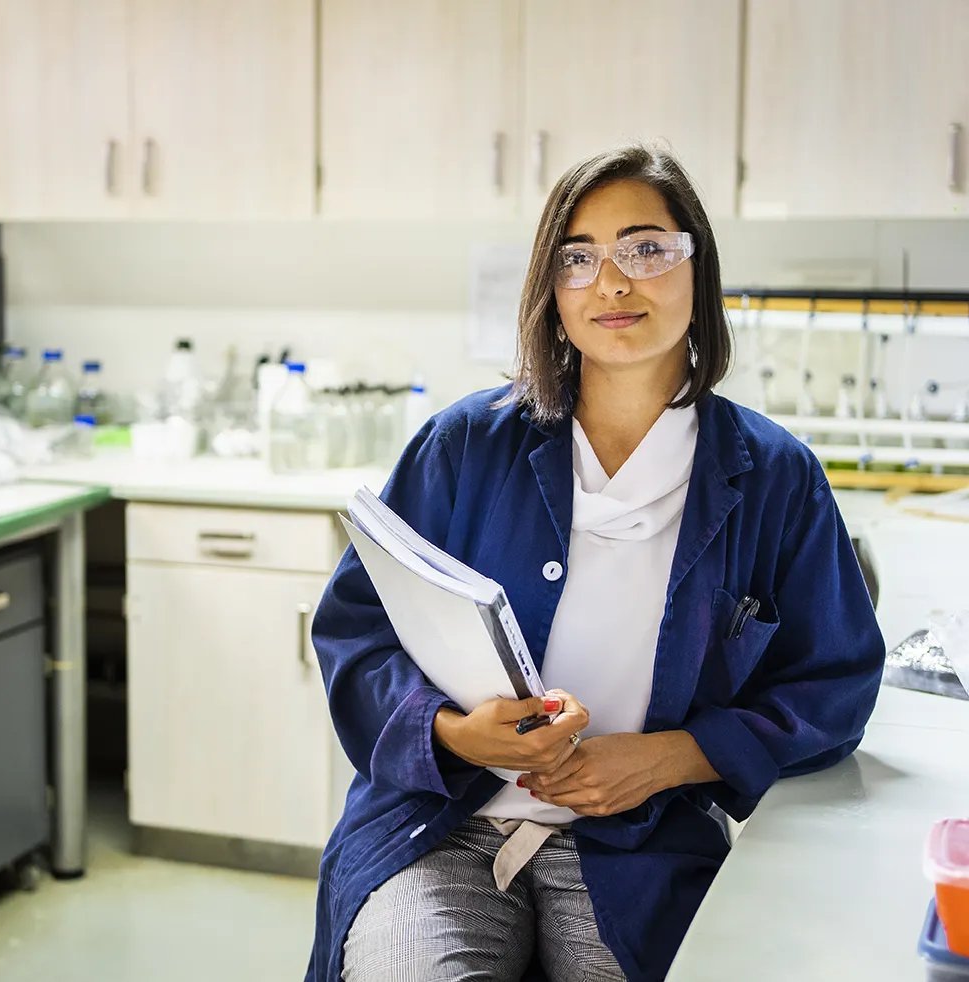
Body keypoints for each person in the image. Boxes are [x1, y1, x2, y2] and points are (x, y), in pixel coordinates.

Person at [306, 144, 885, 982]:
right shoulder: (464, 446)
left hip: (642, 841)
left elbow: (833, 685)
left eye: (645, 248)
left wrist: (670, 757)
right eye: (577, 258)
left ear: (697, 266)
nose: (612, 282)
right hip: (442, 829)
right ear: (552, 290)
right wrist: (454, 734)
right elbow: (357, 635)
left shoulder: (773, 474)